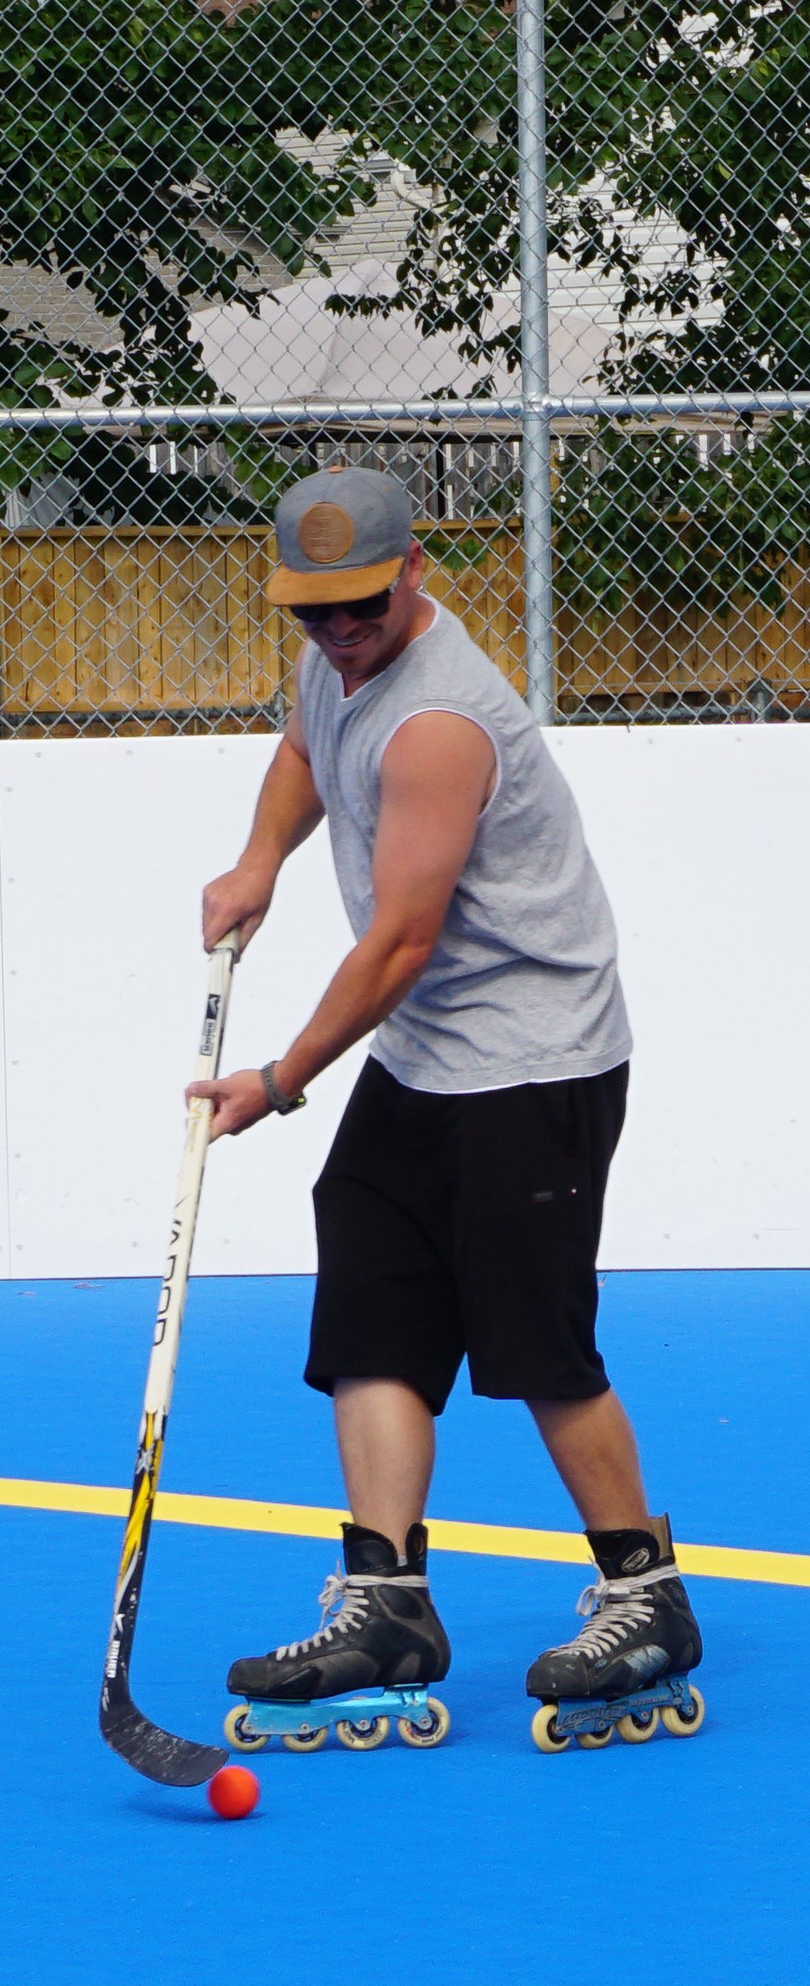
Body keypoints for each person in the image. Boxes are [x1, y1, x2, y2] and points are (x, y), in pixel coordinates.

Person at [195, 464, 701, 1745]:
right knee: (372, 1307)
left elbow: (400, 944)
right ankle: (386, 1600)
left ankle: (646, 1593)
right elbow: (308, 745)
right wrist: (260, 858)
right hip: (429, 1057)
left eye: (359, 604)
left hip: (535, 1060)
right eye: (312, 612)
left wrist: (280, 1077)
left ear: (415, 568)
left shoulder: (442, 724)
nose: (336, 630)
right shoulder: (336, 666)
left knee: (536, 1342)